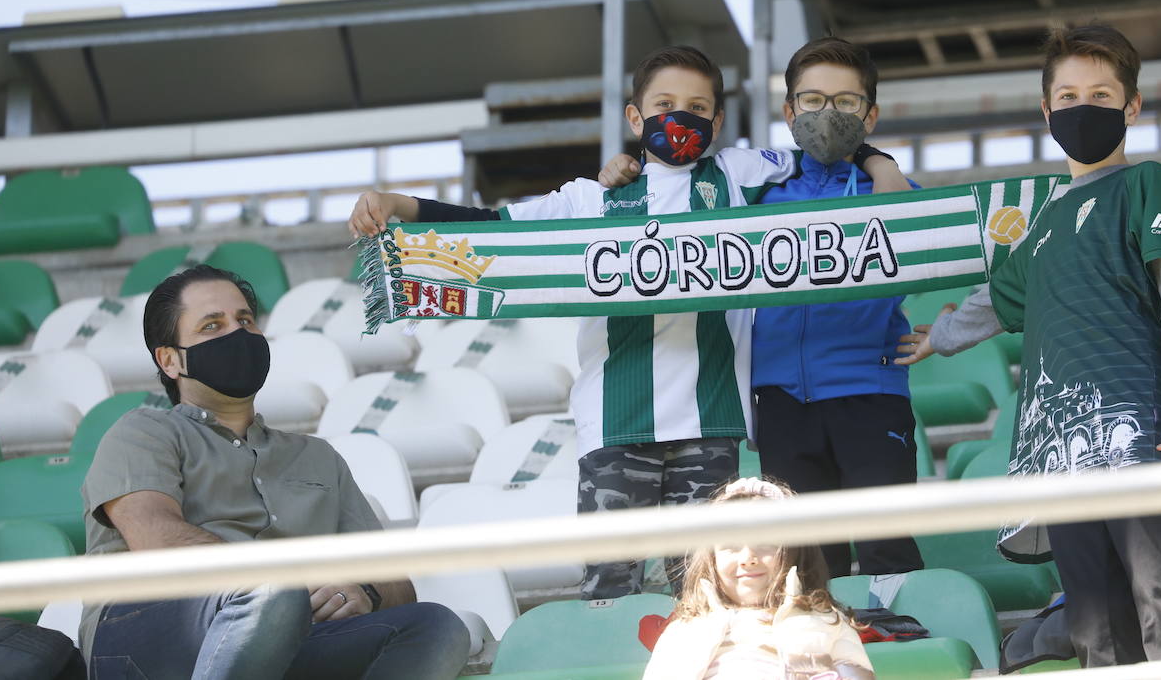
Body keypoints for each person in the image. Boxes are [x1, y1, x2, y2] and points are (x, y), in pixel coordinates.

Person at [349, 45, 904, 600]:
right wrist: (397, 202)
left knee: (707, 592)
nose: (679, 116)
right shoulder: (591, 197)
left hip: (708, 427)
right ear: (635, 118)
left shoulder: (741, 173)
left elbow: (831, 143)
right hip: (613, 425)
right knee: (609, 589)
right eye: (664, 104)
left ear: (716, 121)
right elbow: (494, 226)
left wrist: (882, 164)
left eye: (696, 106)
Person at [895, 23, 1161, 668]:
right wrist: (943, 337)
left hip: (1140, 428)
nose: (1083, 108)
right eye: (1068, 96)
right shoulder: (1043, 219)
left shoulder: (1146, 182)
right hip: (1057, 448)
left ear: (1132, 105)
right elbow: (999, 296)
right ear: (1046, 112)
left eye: (1101, 94)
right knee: (1093, 617)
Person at [602, 37, 920, 579]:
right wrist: (626, 165)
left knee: (886, 546)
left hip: (871, 393)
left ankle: (908, 651)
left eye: (846, 103)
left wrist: (880, 164)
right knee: (807, 564)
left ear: (870, 115)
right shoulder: (754, 187)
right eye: (812, 100)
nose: (828, 114)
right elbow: (676, 177)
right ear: (789, 111)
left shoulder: (897, 192)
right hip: (778, 404)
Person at [80, 264, 470, 680]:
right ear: (170, 360)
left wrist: (363, 592)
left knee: (435, 626)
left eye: (244, 320)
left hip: (286, 636)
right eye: (213, 325)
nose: (237, 334)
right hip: (146, 636)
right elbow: (157, 541)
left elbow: (395, 583)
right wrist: (282, 586)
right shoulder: (143, 432)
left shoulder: (317, 456)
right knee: (271, 588)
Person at [642, 477, 874, 680]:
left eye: (765, 543)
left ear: (794, 552)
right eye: (731, 546)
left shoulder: (827, 621)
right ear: (711, 560)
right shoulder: (687, 629)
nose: (748, 558)